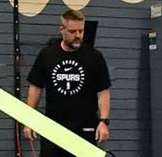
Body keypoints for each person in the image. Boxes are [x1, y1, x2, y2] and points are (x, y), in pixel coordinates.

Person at [23, 10, 111, 156]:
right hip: (53, 128)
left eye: (81, 31)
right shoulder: (47, 55)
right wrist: (29, 121)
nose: (78, 35)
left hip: (85, 129)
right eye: (72, 31)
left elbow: (103, 91)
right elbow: (35, 88)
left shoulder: (94, 57)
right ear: (62, 30)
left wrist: (104, 121)